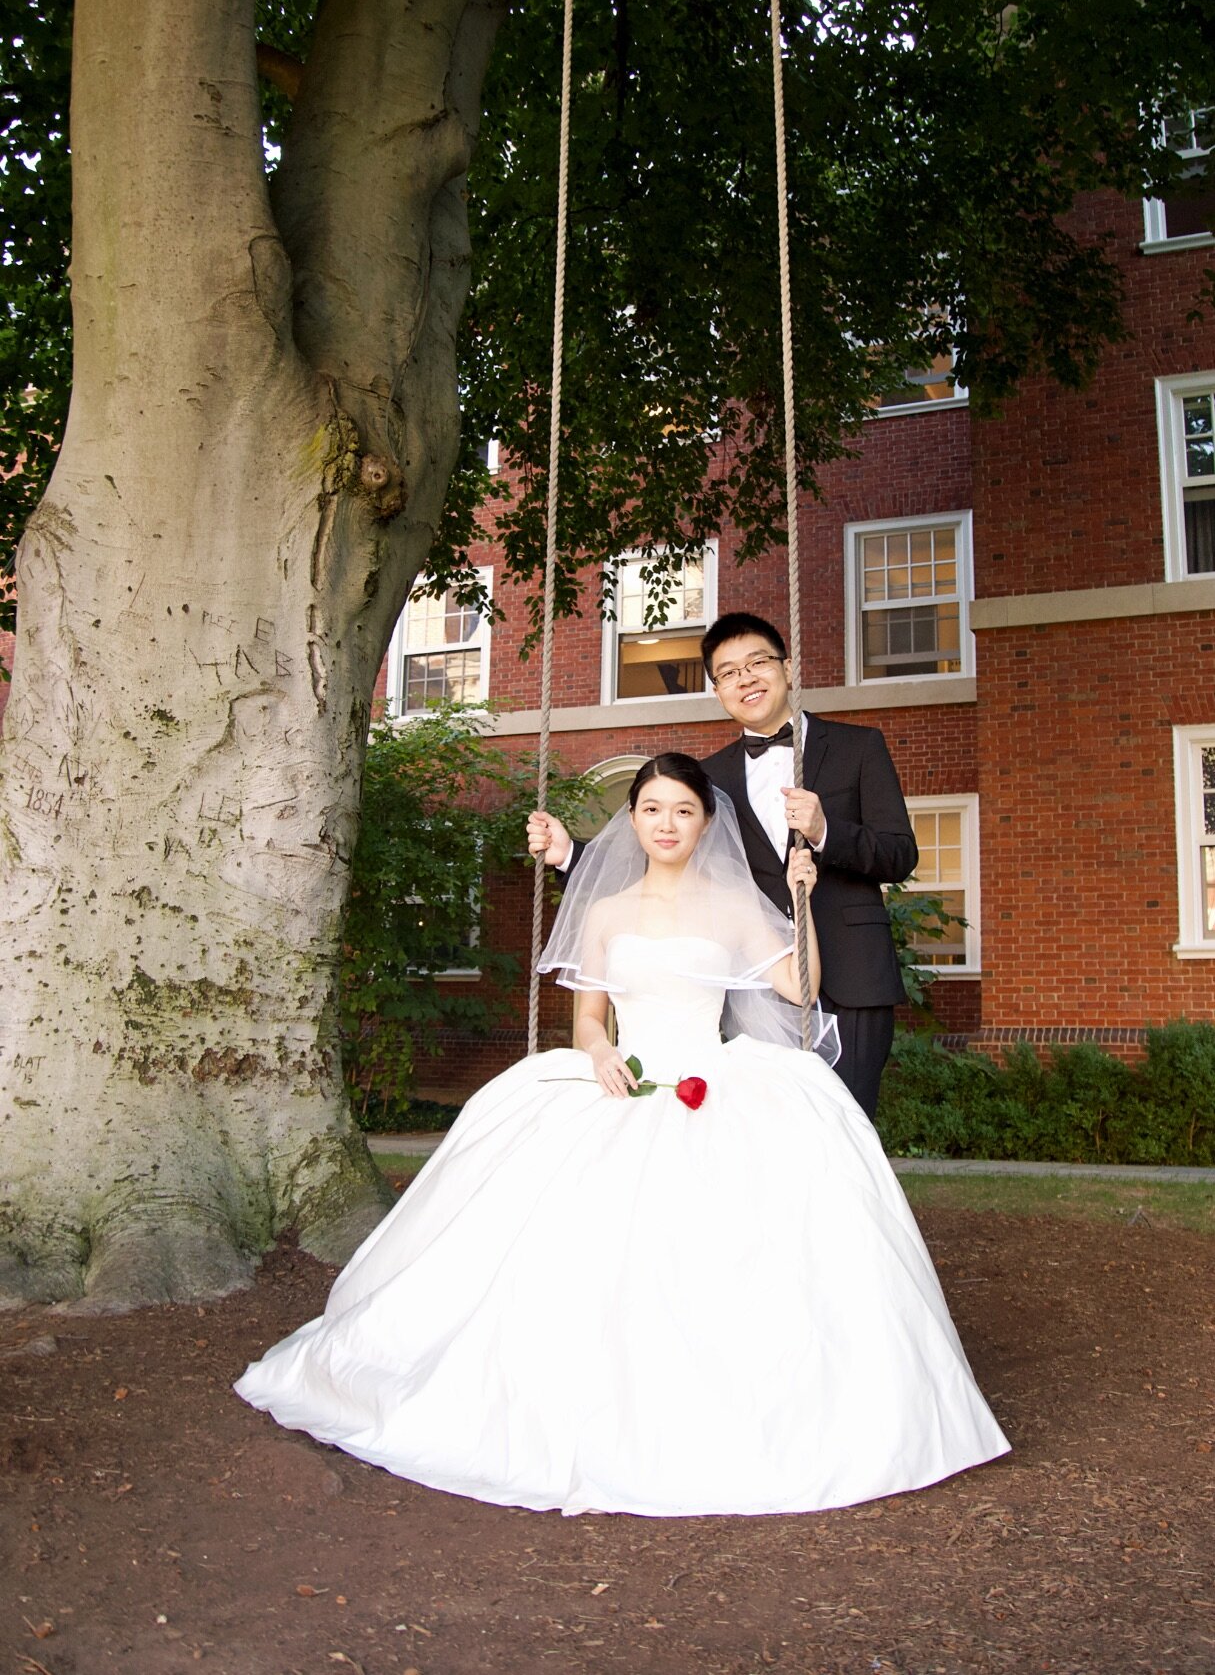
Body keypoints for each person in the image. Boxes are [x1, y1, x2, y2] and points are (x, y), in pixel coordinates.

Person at [236, 755, 1008, 1518]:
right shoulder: (605, 911)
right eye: (651, 809)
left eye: (682, 810)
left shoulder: (735, 908)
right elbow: (587, 1017)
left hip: (712, 1082)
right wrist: (599, 1052)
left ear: (705, 823)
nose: (666, 823)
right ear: (630, 819)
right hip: (624, 1078)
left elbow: (800, 991)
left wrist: (802, 904)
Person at [528, 613, 917, 1119]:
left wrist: (826, 831)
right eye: (729, 672)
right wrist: (569, 855)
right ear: (717, 690)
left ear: (788, 667)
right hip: (749, 983)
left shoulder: (857, 747)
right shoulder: (711, 776)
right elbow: (668, 855)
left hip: (850, 972)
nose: (746, 679)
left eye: (758, 663)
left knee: (845, 1129)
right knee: (766, 1132)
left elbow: (899, 854)